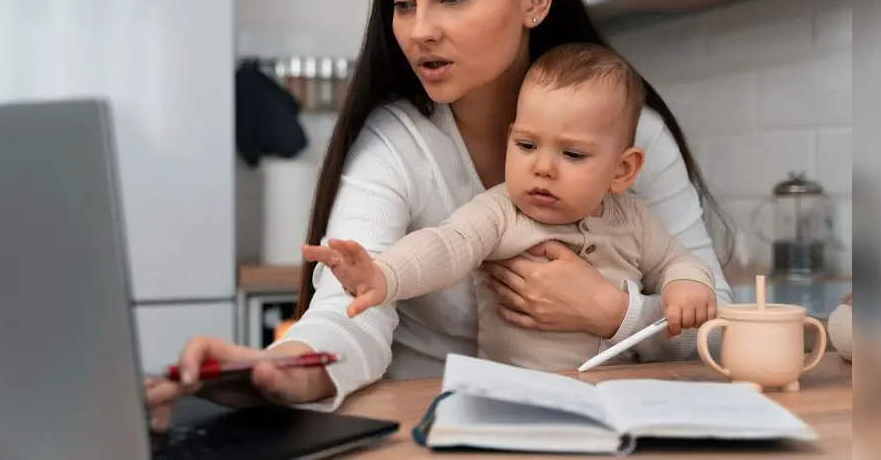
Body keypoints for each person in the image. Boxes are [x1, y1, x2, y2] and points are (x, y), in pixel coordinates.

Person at [145, 0, 734, 430]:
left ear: (534, 1)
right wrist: (279, 369)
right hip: (436, 430)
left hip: (602, 424)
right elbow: (351, 308)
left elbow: (721, 327)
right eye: (403, 2)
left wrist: (614, 313)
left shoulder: (635, 137)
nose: (419, 29)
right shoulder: (396, 142)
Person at [301, 43, 717, 371]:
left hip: (616, 397)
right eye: (526, 146)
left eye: (572, 155)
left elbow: (677, 261)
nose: (542, 168)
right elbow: (447, 246)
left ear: (622, 170)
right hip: (515, 394)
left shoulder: (635, 218)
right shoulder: (502, 211)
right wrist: (384, 274)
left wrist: (687, 285)